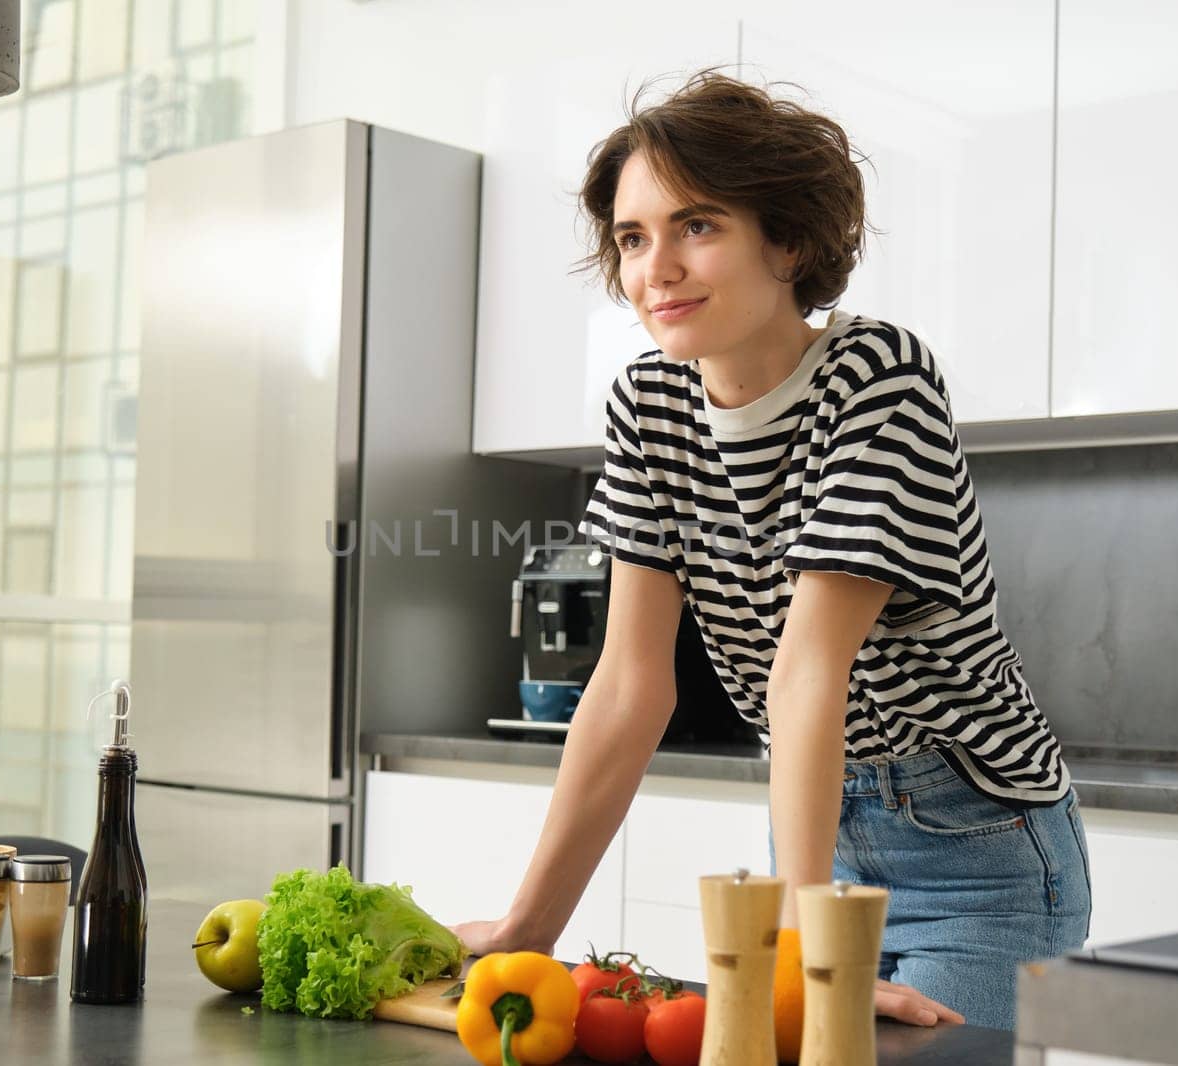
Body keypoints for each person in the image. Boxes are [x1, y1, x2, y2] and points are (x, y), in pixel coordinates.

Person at [453, 69, 1091, 1032]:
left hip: (976, 853)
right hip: (815, 839)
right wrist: (525, 928)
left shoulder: (878, 378)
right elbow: (629, 687)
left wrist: (802, 962)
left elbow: (807, 671)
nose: (654, 268)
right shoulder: (649, 404)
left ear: (787, 240)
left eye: (696, 226)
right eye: (633, 238)